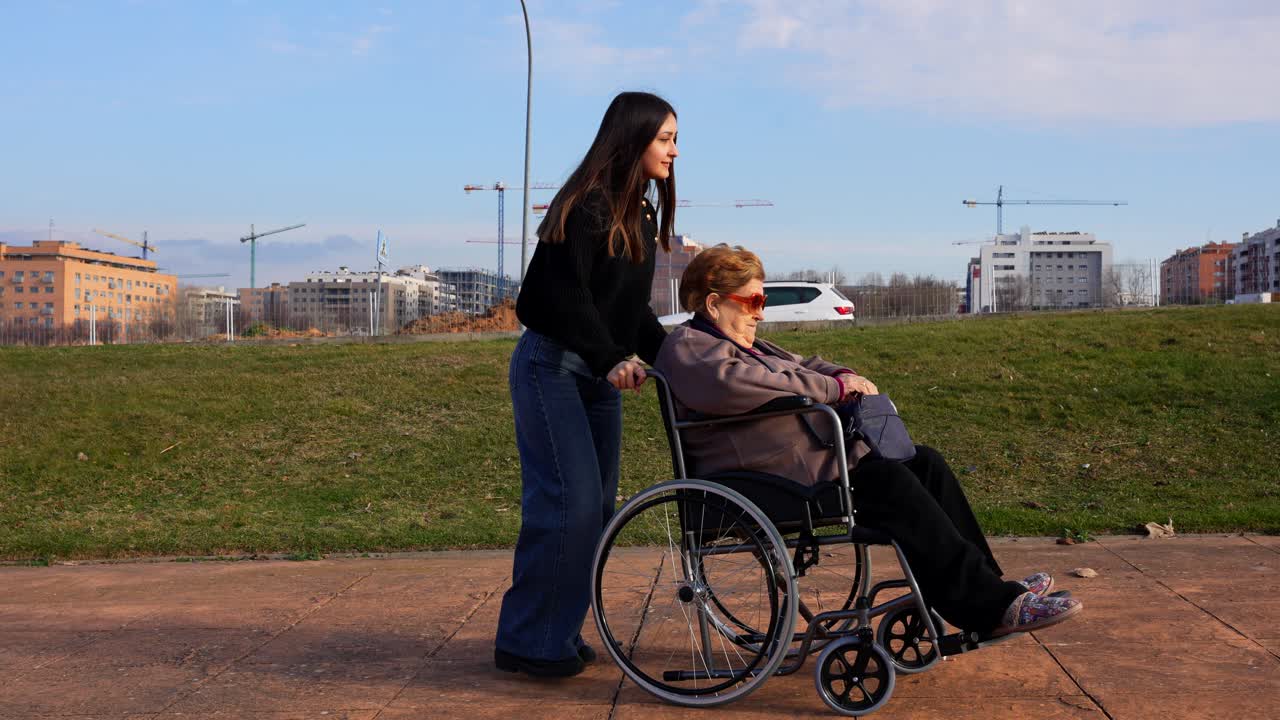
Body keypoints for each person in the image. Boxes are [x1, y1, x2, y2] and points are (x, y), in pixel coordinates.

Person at [653, 244, 1083, 637]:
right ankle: (989, 608)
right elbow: (740, 384)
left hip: (805, 470)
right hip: (762, 484)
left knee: (924, 463)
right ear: (714, 303)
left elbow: (806, 364)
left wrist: (842, 375)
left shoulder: (748, 345)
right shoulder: (690, 348)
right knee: (890, 484)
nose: (761, 312)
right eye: (754, 301)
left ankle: (990, 585)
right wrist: (832, 390)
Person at [494, 91, 680, 677]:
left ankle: (554, 632)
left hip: (598, 373)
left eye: (675, 140)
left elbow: (628, 315)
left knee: (595, 508)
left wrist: (685, 357)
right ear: (633, 139)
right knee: (565, 505)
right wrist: (608, 358)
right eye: (665, 139)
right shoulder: (588, 206)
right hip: (552, 367)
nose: (674, 151)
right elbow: (554, 299)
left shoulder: (640, 214)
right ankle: (527, 641)